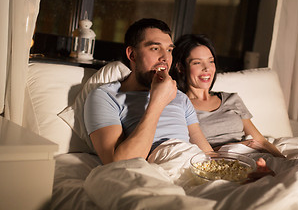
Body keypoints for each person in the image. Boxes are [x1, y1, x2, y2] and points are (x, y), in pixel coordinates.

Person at [84, 18, 213, 165]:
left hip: (191, 169)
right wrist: (158, 101)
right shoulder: (106, 97)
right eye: (155, 48)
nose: (165, 58)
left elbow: (207, 155)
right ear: (132, 55)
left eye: (169, 50)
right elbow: (117, 165)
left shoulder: (180, 97)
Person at [169, 34, 285, 158]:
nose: (207, 68)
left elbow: (261, 141)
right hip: (222, 161)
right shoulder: (181, 106)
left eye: (211, 61)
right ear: (180, 67)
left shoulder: (231, 99)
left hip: (254, 156)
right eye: (197, 63)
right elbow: (196, 151)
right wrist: (236, 146)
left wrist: (285, 162)